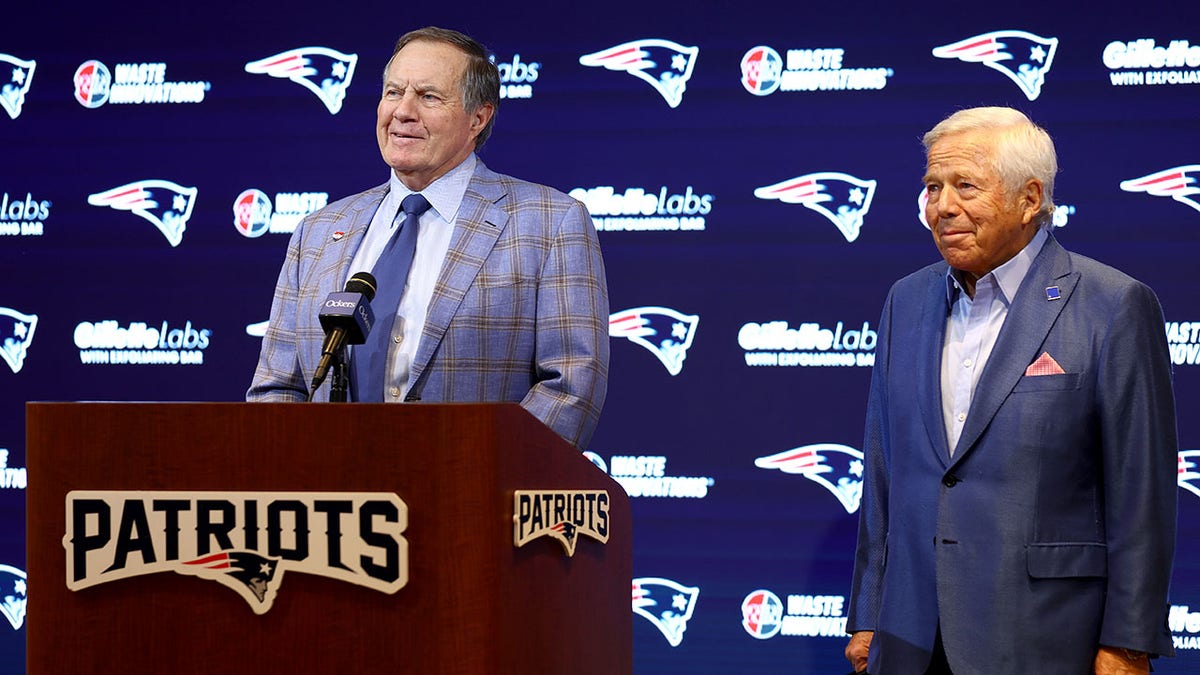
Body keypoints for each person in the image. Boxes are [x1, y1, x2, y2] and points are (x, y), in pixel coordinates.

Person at [845, 107, 1177, 674]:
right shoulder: (905, 300)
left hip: (1046, 637)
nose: (942, 206)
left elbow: (1141, 494)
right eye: (933, 186)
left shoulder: (1113, 305)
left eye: (965, 186)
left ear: (1029, 199)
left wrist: (1127, 642)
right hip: (909, 639)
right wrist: (869, 612)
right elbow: (882, 474)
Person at [247, 27, 609, 448]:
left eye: (429, 96)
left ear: (478, 118)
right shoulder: (319, 231)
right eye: (393, 92)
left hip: (473, 482)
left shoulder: (549, 222)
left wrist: (471, 473)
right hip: (335, 484)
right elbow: (277, 388)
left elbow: (570, 387)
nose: (403, 111)